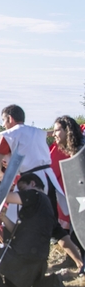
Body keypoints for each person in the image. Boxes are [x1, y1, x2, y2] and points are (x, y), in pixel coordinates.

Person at [0, 173, 65, 287]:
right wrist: (4, 218)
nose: (21, 192)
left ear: (32, 184)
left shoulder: (35, 195)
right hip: (38, 263)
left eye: (22, 189)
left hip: (23, 258)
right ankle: (48, 282)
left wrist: (4, 184)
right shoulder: (45, 204)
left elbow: (4, 197)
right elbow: (18, 232)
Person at [0, 105, 67, 225]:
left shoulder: (8, 135)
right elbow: (49, 133)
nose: (4, 125)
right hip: (49, 178)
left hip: (31, 182)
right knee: (49, 220)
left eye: (4, 121)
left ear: (10, 119)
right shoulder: (37, 132)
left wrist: (1, 176)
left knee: (21, 220)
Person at [49, 115, 85, 271]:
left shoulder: (81, 149)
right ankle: (78, 262)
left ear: (67, 130)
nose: (54, 134)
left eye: (57, 130)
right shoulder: (72, 148)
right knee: (76, 231)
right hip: (78, 197)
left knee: (80, 231)